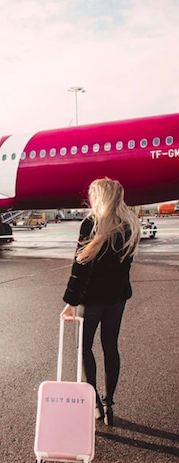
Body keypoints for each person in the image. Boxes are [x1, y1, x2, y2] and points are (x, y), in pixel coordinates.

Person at [60, 178, 140, 425]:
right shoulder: (130, 225)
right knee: (110, 347)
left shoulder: (92, 224)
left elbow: (80, 268)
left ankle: (93, 401)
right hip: (116, 299)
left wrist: (70, 301)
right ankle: (109, 404)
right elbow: (124, 268)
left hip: (91, 300)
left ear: (99, 197)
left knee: (84, 348)